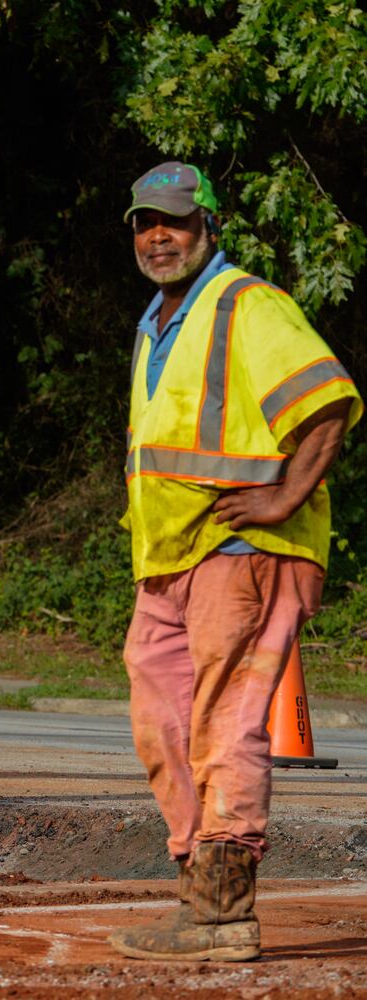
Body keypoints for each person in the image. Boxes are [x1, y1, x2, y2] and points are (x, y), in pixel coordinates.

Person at [109, 161, 361, 962]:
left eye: (175, 222)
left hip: (243, 549)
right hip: (171, 553)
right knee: (162, 721)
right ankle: (198, 881)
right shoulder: (158, 318)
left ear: (208, 229)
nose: (159, 235)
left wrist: (282, 499)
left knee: (224, 724)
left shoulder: (246, 303)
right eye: (146, 222)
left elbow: (326, 401)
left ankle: (221, 914)